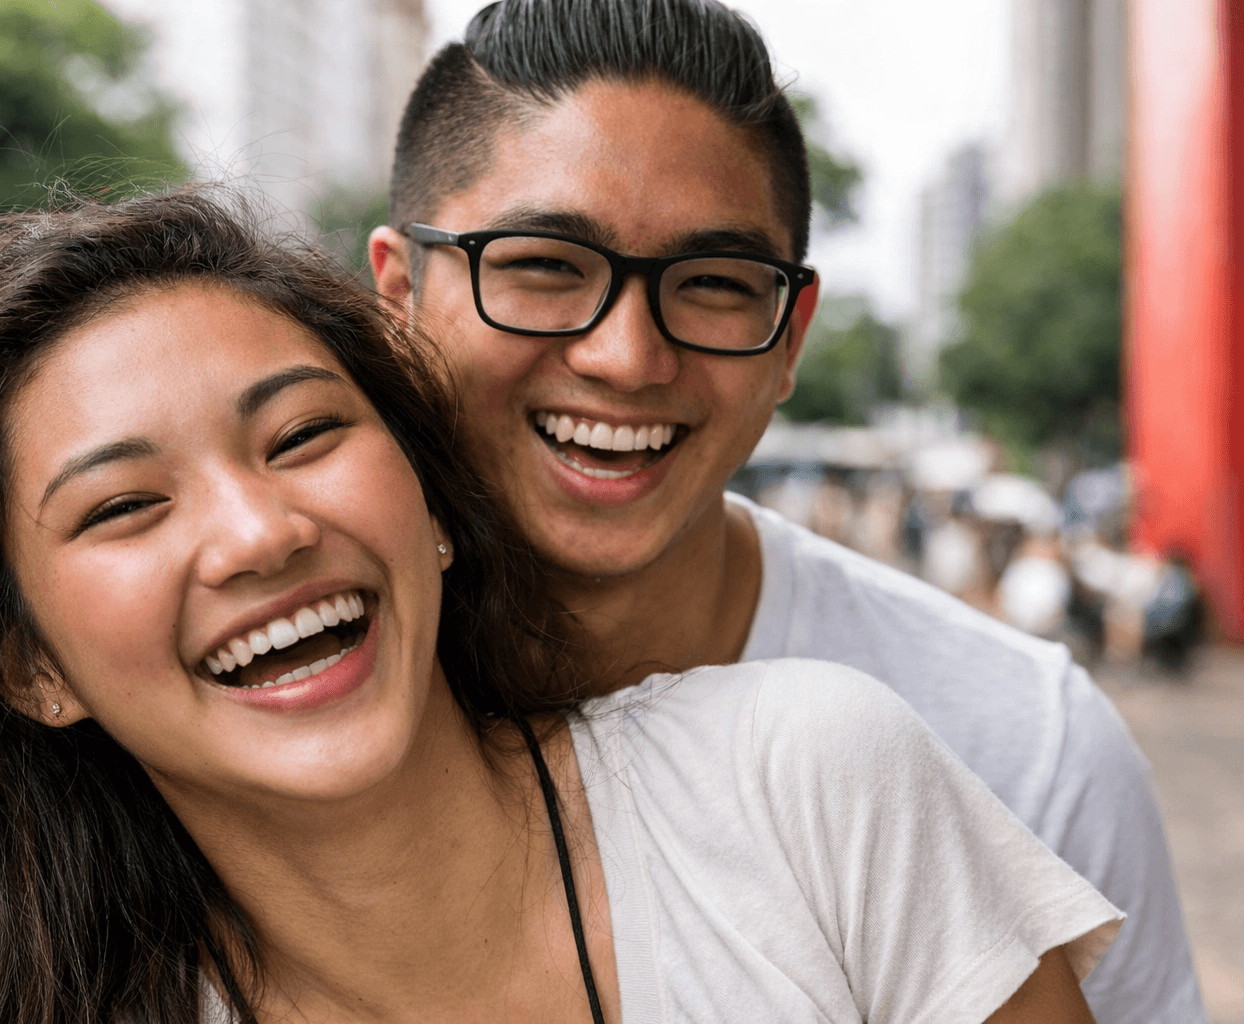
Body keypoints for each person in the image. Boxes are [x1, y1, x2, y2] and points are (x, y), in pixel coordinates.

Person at [0, 189, 1120, 1023]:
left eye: (305, 437)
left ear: (436, 510)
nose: (259, 532)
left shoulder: (811, 785)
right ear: (31, 666)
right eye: (126, 508)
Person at [366, 3, 1202, 1022]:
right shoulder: (280, 720)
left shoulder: (1023, 744)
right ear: (397, 298)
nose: (626, 358)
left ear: (791, 337)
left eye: (714, 283)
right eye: (543, 265)